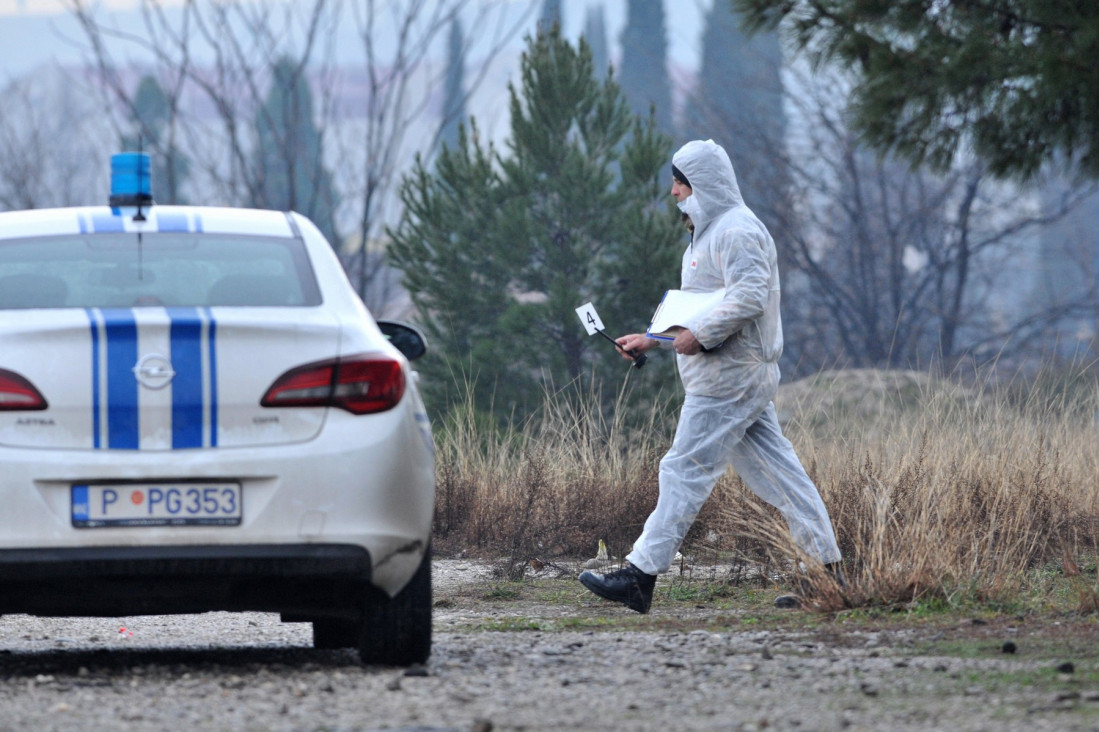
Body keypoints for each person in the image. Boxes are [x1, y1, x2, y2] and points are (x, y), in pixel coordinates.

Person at [578, 139, 842, 613]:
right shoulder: (710, 232)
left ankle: (640, 576)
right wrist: (652, 338)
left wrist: (698, 334)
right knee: (782, 477)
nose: (675, 192)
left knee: (682, 470)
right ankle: (830, 576)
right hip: (729, 376)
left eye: (680, 182)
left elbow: (750, 297)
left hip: (730, 379)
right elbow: (706, 305)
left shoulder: (737, 230)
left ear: (703, 184)